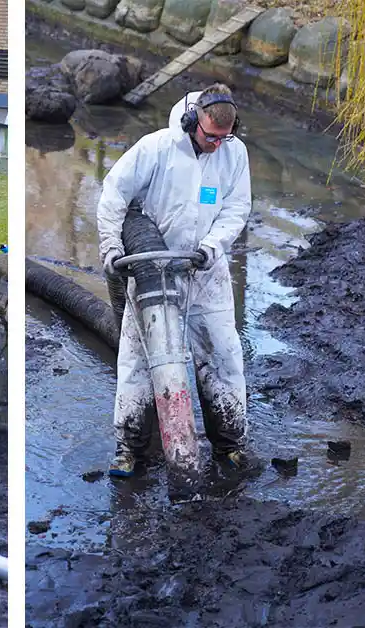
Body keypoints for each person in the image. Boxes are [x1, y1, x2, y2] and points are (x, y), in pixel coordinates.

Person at [96, 83, 252, 476]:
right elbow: (115, 193)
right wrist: (112, 247)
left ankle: (229, 445)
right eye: (211, 136)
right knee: (137, 359)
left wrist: (212, 247)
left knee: (223, 355)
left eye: (224, 137)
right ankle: (131, 449)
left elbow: (237, 208)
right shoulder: (156, 148)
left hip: (205, 272)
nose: (217, 144)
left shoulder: (234, 153)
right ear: (191, 120)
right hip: (154, 272)